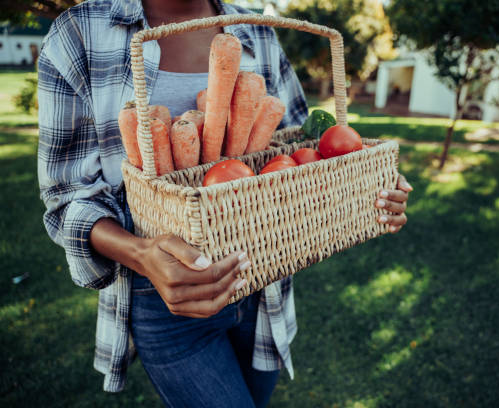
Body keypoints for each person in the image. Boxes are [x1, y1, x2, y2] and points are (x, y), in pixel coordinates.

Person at [37, 0, 411, 407]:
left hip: (264, 284)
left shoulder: (257, 32)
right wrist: (143, 254)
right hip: (166, 296)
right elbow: (66, 199)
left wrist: (366, 186)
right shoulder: (80, 34)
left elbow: (308, 148)